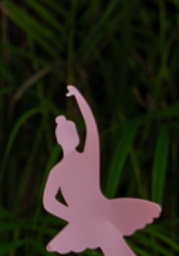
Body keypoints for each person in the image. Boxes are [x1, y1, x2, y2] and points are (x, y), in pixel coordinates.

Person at [44, 86, 160, 256]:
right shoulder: (59, 171)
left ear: (77, 137)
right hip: (88, 220)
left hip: (103, 210)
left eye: (72, 133)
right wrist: (73, 215)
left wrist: (79, 98)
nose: (71, 137)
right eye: (67, 134)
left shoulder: (87, 158)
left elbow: (92, 128)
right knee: (108, 232)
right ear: (60, 140)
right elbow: (48, 202)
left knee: (110, 233)